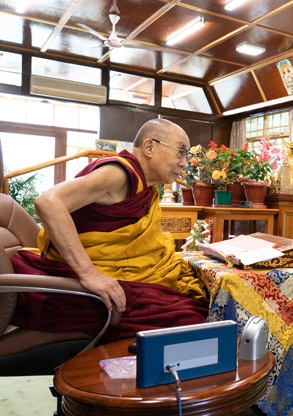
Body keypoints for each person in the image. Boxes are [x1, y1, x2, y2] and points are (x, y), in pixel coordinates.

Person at [1, 119, 209, 350]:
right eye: (181, 152)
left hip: (113, 271)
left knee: (192, 297)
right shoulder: (118, 173)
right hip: (73, 283)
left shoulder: (143, 186)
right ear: (149, 147)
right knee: (188, 318)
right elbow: (49, 202)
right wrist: (89, 273)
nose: (184, 162)